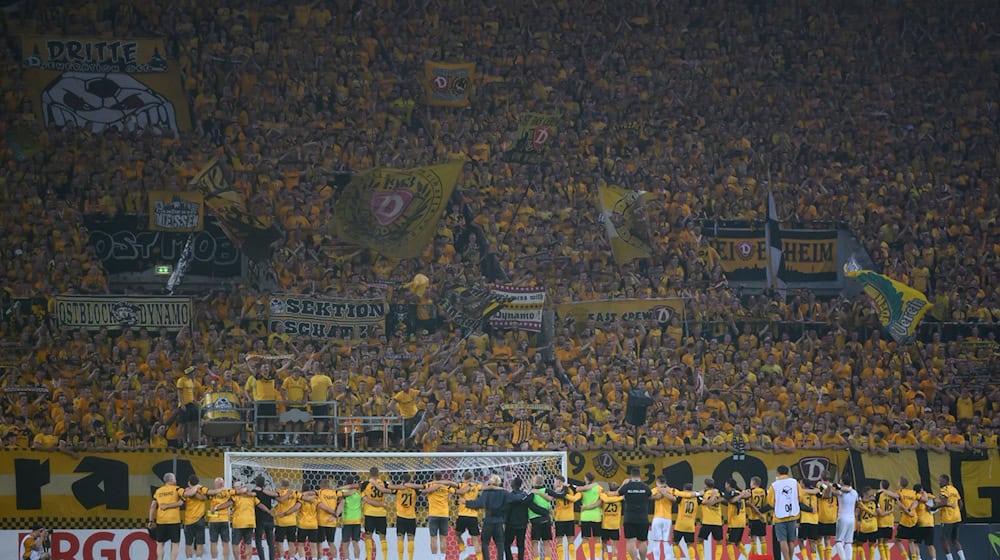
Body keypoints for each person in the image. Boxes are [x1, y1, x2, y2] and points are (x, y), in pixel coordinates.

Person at [462, 474, 533, 560]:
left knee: (485, 543)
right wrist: (524, 494)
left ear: (491, 482)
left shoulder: (487, 492)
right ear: (499, 483)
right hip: (499, 521)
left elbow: (479, 504)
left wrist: (466, 502)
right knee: (500, 544)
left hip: (488, 520)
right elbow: (515, 498)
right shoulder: (503, 492)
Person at [618, 467, 653, 560]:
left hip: (629, 518)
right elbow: (650, 495)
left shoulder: (627, 486)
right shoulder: (645, 486)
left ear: (631, 476)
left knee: (630, 541)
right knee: (642, 541)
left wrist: (623, 484)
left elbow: (618, 493)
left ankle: (634, 559)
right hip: (643, 518)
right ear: (640, 475)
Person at [149, 472, 185, 560]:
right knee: (175, 543)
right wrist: (174, 504)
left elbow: (152, 506)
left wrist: (150, 521)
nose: (176, 480)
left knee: (160, 543)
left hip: (161, 521)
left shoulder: (158, 491)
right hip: (174, 520)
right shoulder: (177, 489)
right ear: (172, 480)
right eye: (175, 478)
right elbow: (183, 500)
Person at [768, 465, 800, 560]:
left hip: (779, 516)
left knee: (782, 540)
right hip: (792, 514)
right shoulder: (795, 482)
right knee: (791, 540)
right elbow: (800, 496)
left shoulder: (774, 485)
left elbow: (770, 501)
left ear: (778, 472)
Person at [423, 471, 457, 560]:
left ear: (433, 476)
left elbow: (423, 491)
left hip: (433, 514)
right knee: (443, 538)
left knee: (433, 537)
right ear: (441, 477)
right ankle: (442, 558)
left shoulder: (430, 484)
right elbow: (454, 490)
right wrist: (448, 495)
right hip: (444, 514)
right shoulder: (446, 486)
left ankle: (434, 558)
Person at [388, 473, 422, 560]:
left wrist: (393, 482)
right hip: (411, 517)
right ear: (410, 480)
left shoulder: (398, 489)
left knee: (400, 538)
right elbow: (422, 489)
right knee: (411, 539)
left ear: (403, 480)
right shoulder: (414, 489)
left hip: (401, 516)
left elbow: (390, 487)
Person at [547, 475, 580, 560]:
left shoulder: (557, 490)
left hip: (560, 518)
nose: (554, 483)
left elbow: (550, 498)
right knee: (571, 541)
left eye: (555, 481)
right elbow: (576, 497)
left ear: (559, 481)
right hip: (570, 518)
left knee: (559, 541)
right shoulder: (571, 489)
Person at [361, 467, 390, 560]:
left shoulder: (365, 484)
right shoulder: (384, 483)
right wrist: (381, 504)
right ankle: (385, 558)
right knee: (383, 537)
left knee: (368, 537)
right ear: (378, 474)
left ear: (369, 474)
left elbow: (365, 499)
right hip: (381, 513)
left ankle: (369, 558)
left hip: (369, 513)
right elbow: (390, 490)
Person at [230, 482, 263, 560]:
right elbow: (260, 504)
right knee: (248, 544)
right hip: (250, 523)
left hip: (238, 523)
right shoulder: (251, 496)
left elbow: (228, 503)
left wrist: (217, 508)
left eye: (234, 487)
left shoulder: (235, 496)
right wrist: (268, 511)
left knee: (235, 544)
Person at [456, 471, 485, 560]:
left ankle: (464, 552)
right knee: (475, 540)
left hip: (462, 515)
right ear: (472, 477)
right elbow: (485, 487)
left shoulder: (461, 485)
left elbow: (456, 489)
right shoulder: (476, 486)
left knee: (457, 534)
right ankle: (480, 558)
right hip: (473, 516)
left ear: (464, 477)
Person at [528, 474, 556, 560]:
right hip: (546, 520)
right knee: (546, 543)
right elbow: (549, 508)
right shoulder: (546, 492)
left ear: (535, 482)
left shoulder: (532, 493)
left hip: (535, 520)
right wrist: (553, 520)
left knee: (535, 543)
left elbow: (528, 506)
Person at [181, 475, 209, 560]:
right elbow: (204, 497)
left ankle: (189, 558)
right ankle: (198, 558)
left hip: (189, 521)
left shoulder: (185, 491)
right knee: (199, 543)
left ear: (189, 482)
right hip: (199, 520)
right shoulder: (201, 490)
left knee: (188, 543)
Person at [697, 477, 725, 560]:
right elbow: (724, 498)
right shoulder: (718, 492)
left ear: (705, 485)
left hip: (707, 522)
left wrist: (712, 495)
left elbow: (708, 503)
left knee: (699, 541)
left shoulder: (703, 494)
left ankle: (702, 559)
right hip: (717, 522)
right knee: (719, 543)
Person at [937, 474, 965, 560]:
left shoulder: (944, 490)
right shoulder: (954, 489)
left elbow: (944, 502)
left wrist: (933, 507)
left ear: (946, 481)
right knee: (955, 540)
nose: (939, 482)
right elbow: (960, 503)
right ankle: (963, 558)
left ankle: (950, 559)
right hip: (957, 517)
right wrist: (956, 512)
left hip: (948, 519)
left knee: (943, 539)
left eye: (940, 480)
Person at [831, 475, 859, 560]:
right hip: (852, 518)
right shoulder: (854, 492)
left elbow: (834, 493)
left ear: (842, 481)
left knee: (838, 541)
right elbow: (857, 503)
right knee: (848, 542)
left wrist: (829, 486)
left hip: (842, 517)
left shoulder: (840, 491)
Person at [273, 478, 301, 560]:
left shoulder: (278, 493)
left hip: (281, 522)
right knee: (291, 542)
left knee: (280, 542)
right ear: (288, 485)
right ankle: (292, 558)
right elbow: (300, 502)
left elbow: (280, 500)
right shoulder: (295, 493)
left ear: (281, 484)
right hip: (292, 522)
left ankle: (281, 558)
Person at [577, 472, 604, 560]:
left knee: (585, 538)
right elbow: (599, 502)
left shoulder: (583, 490)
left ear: (585, 478)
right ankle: (597, 558)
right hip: (596, 516)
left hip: (585, 516)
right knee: (597, 538)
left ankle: (588, 558)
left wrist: (585, 507)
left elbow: (577, 491)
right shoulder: (599, 488)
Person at [205, 477, 233, 560]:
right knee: (225, 542)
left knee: (213, 542)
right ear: (223, 484)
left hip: (214, 519)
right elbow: (230, 502)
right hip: (224, 519)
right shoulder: (228, 492)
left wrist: (216, 508)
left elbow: (202, 497)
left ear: (216, 484)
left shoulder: (212, 493)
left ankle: (214, 559)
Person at [650, 475, 677, 560]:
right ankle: (668, 558)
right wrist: (664, 492)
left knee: (656, 542)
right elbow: (674, 499)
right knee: (666, 541)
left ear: (657, 482)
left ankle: (657, 559)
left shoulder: (655, 489)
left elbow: (647, 495)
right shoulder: (670, 490)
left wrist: (658, 494)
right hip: (667, 519)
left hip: (657, 518)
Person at [252, 475, 277, 560]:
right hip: (270, 519)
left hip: (260, 520)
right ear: (264, 484)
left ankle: (262, 559)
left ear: (256, 482)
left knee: (258, 541)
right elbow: (278, 498)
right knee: (271, 543)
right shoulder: (268, 492)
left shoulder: (253, 492)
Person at [724, 479, 750, 560]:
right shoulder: (740, 493)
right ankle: (749, 557)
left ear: (728, 484)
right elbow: (747, 497)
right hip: (742, 521)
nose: (725, 486)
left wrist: (741, 495)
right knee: (738, 542)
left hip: (734, 522)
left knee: (728, 542)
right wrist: (743, 494)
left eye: (726, 484)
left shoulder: (732, 493)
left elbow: (731, 500)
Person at [672, 483, 699, 560]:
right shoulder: (696, 498)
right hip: (690, 526)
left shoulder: (681, 497)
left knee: (675, 543)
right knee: (690, 545)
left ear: (684, 489)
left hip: (680, 525)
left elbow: (673, 498)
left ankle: (678, 558)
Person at [316, 478, 341, 560]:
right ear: (328, 485)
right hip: (332, 522)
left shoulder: (319, 492)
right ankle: (335, 558)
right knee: (331, 543)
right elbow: (342, 502)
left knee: (319, 543)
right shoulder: (335, 493)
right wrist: (335, 515)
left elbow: (321, 506)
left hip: (321, 522)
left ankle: (320, 558)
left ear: (321, 485)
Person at [896, 477, 920, 560]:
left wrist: (907, 511)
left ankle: (906, 558)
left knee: (897, 540)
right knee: (911, 541)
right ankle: (914, 558)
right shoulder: (913, 492)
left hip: (905, 520)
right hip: (914, 519)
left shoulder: (900, 492)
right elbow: (916, 502)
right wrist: (910, 509)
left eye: (898, 482)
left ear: (900, 484)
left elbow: (899, 503)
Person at [599, 482, 624, 560]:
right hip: (615, 526)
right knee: (614, 546)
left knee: (604, 544)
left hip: (604, 525)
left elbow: (605, 498)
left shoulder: (603, 496)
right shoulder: (620, 498)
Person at [875, 479, 899, 560]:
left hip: (881, 521)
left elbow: (875, 506)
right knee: (886, 543)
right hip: (890, 521)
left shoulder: (879, 494)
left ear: (881, 485)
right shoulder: (892, 495)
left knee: (880, 543)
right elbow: (897, 498)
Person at [176, 365, 199, 449]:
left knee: (194, 422)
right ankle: (179, 442)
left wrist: (195, 402)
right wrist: (182, 404)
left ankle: (192, 441)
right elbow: (179, 393)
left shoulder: (191, 381)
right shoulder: (181, 380)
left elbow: (191, 393)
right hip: (184, 404)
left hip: (191, 404)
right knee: (182, 424)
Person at [798, 480, 822, 560]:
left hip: (804, 520)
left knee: (800, 540)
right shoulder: (815, 493)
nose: (799, 484)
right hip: (814, 520)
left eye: (800, 483)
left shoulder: (801, 492)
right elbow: (819, 491)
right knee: (812, 542)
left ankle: (805, 558)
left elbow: (799, 504)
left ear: (804, 484)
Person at [296, 486, 321, 560]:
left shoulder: (301, 499)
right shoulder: (315, 499)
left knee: (300, 545)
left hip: (303, 524)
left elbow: (296, 507)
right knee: (313, 545)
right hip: (313, 525)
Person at [746, 475, 769, 557]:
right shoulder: (764, 491)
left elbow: (748, 504)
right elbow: (767, 504)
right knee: (762, 539)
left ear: (753, 483)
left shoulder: (750, 492)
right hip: (762, 518)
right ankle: (764, 555)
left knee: (753, 539)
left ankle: (754, 556)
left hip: (753, 518)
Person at [913, 483, 937, 560]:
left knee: (916, 543)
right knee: (929, 544)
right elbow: (926, 499)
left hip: (922, 524)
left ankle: (921, 558)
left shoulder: (918, 496)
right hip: (926, 524)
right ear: (921, 490)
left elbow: (936, 499)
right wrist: (926, 494)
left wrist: (933, 506)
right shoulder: (917, 496)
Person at [856, 486, 880, 560]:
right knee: (872, 545)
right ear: (867, 493)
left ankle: (863, 558)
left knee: (859, 545)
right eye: (870, 492)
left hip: (864, 527)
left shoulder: (860, 503)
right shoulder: (874, 502)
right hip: (873, 526)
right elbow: (878, 513)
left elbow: (857, 514)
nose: (872, 493)